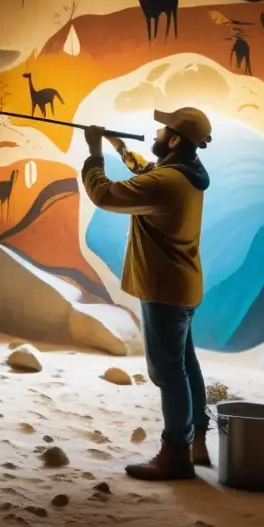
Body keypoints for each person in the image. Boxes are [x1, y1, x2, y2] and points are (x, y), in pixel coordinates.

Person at [81, 107, 213, 481]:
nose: (154, 133)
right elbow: (148, 172)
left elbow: (105, 194)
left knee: (167, 371)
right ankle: (197, 442)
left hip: (162, 288)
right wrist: (119, 145)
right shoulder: (189, 174)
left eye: (162, 130)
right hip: (183, 285)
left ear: (173, 141)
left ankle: (175, 454)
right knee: (186, 366)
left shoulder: (166, 183)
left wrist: (94, 153)